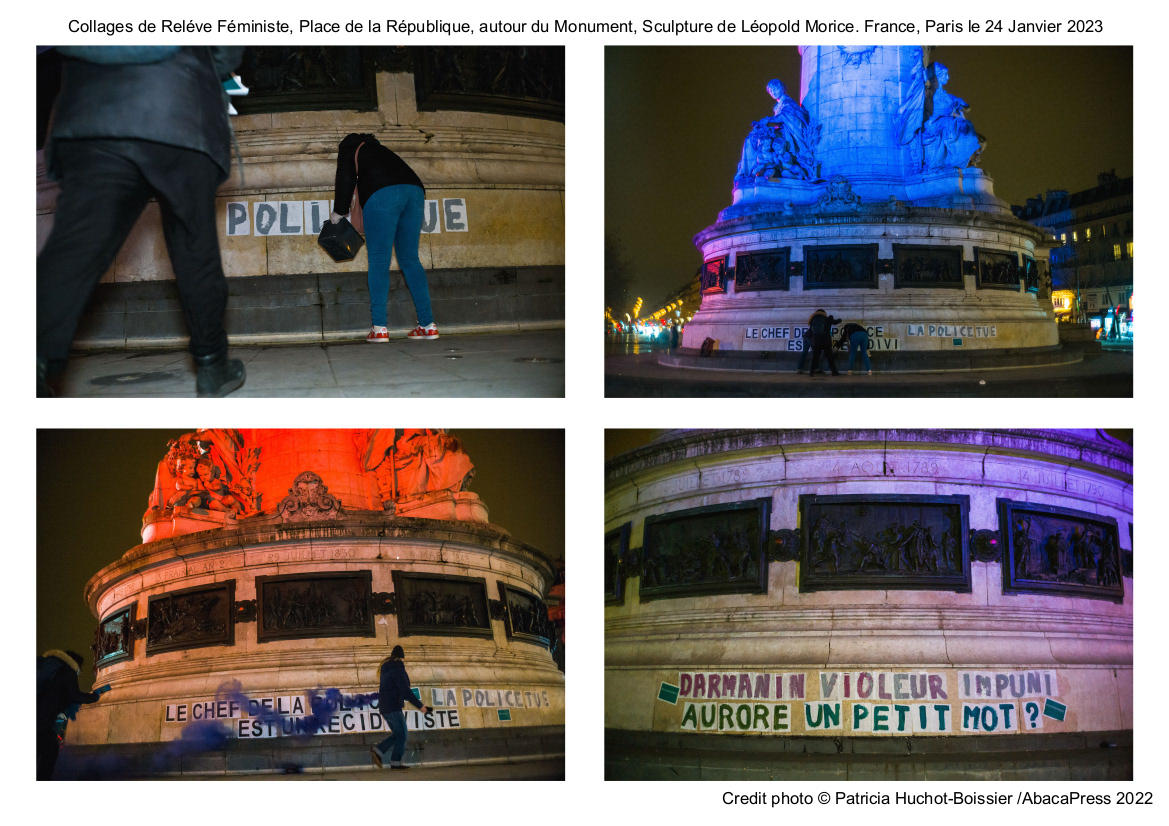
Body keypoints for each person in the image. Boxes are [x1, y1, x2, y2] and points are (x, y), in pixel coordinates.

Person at [37, 46, 246, 398]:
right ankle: (213, 365)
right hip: (180, 107)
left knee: (74, 250)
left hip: (93, 110)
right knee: (194, 245)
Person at [330, 134, 438, 343]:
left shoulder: (350, 148)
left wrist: (338, 212)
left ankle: (379, 328)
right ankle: (427, 325)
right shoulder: (382, 151)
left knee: (379, 260)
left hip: (383, 194)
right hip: (415, 191)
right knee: (410, 260)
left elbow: (345, 178)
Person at [37, 649, 110, 780]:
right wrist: (94, 697)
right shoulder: (67, 671)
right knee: (50, 750)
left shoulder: (51, 668)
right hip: (43, 719)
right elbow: (74, 695)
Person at [372, 645, 431, 769]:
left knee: (399, 734)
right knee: (402, 734)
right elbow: (405, 691)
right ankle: (380, 750)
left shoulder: (386, 669)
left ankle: (394, 762)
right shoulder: (397, 669)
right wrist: (420, 706)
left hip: (385, 707)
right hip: (393, 707)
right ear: (401, 658)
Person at [807, 309, 840, 377]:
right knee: (829, 358)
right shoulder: (826, 319)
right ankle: (834, 372)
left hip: (816, 342)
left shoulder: (813, 320)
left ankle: (811, 372)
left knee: (815, 358)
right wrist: (840, 319)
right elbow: (835, 322)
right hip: (826, 342)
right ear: (824, 313)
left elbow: (811, 331)